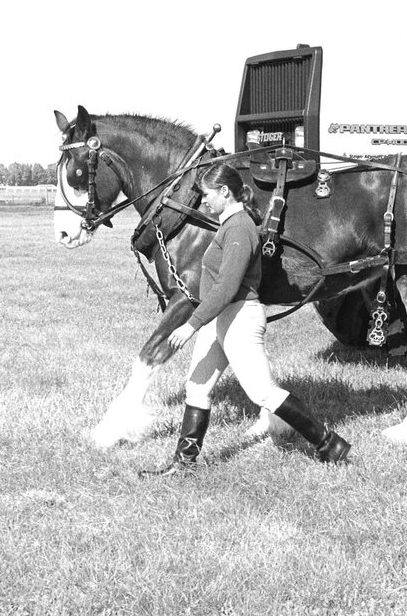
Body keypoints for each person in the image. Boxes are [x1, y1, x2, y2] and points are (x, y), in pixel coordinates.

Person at [140, 161, 350, 477]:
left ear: (225, 192)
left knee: (262, 392)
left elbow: (227, 286)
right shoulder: (229, 225)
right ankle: (184, 465)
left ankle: (329, 444)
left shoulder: (239, 227)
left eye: (207, 195)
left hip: (238, 317)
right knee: (197, 386)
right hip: (220, 319)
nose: (203, 201)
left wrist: (190, 325)